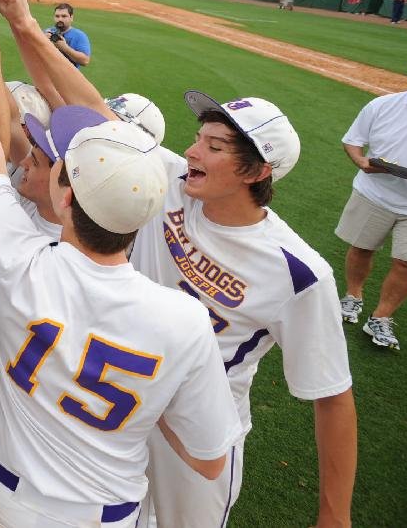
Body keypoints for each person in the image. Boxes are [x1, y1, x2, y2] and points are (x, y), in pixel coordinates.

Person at [0, 0, 241, 528]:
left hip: (5, 499)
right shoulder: (185, 320)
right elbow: (209, 459)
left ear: (64, 197)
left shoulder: (21, 259)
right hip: (108, 515)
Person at [126, 92, 356, 527]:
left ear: (258, 170)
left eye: (214, 146)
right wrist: (23, 27)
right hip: (127, 394)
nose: (193, 151)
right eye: (198, 139)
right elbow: (89, 107)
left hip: (201, 430)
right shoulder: (173, 178)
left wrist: (334, 516)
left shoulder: (299, 273)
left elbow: (332, 396)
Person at [337, 53, 407, 350]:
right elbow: (353, 140)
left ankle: (381, 317)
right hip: (375, 192)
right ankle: (353, 296)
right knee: (361, 247)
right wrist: (360, 161)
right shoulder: (382, 104)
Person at [45, 3, 91, 68]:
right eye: (57, 16)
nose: (60, 19)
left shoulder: (79, 36)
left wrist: (64, 48)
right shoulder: (47, 32)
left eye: (64, 16)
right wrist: (42, 41)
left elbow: (85, 61)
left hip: (68, 77)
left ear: (71, 17)